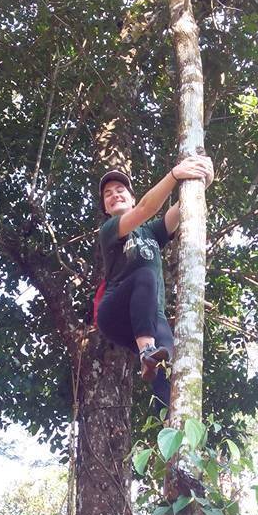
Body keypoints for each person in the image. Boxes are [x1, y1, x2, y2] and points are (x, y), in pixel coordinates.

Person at [96, 156, 214, 411]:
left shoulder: (150, 232)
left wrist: (201, 180)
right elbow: (145, 210)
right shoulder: (109, 230)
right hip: (115, 312)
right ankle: (146, 351)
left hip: (150, 317)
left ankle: (172, 431)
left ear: (131, 196)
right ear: (105, 208)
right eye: (108, 194)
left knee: (172, 365)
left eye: (120, 191)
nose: (114, 195)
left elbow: (181, 209)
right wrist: (174, 174)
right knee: (145, 275)